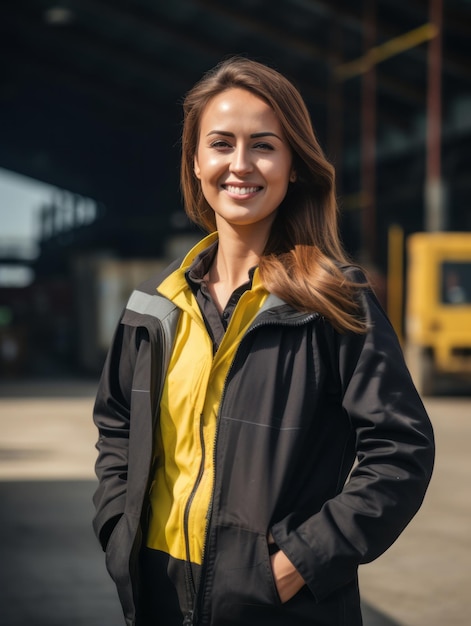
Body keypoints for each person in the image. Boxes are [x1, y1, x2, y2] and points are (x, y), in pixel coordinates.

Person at [92, 57, 435, 626]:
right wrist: (116, 530)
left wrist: (298, 563)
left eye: (264, 146)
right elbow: (117, 430)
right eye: (221, 144)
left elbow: (400, 452)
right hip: (156, 594)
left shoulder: (334, 301)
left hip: (276, 605)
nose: (241, 165)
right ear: (196, 161)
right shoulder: (155, 308)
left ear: (293, 165)